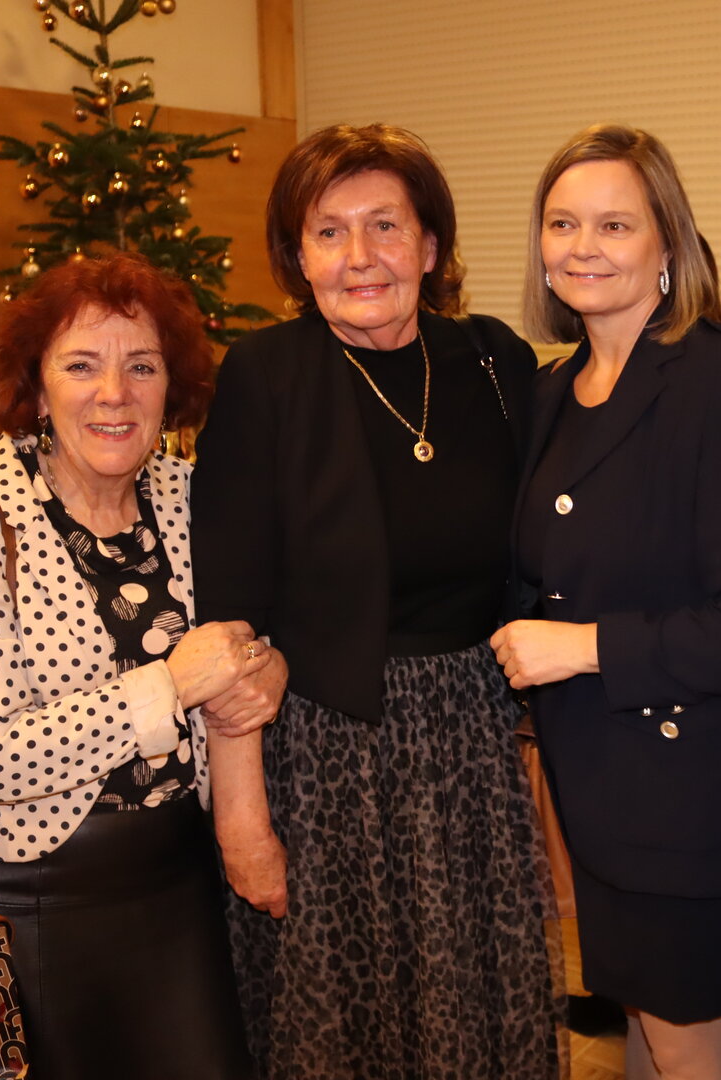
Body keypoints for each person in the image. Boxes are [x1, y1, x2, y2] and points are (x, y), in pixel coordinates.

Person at [190, 123, 559, 1080]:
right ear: (298, 257)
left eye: (385, 225)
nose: (360, 256)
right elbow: (229, 622)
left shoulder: (494, 362)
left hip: (473, 752)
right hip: (326, 762)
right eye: (329, 232)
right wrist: (242, 819)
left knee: (477, 1013)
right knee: (346, 1032)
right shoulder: (266, 376)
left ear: (429, 246)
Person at [0, 252, 284, 1078]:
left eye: (141, 366)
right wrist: (171, 685)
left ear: (170, 387)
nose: (114, 393)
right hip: (16, 900)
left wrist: (268, 662)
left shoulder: (193, 496)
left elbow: (250, 637)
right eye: (81, 365)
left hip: (174, 888)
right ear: (38, 389)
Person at [491, 124, 721, 1080]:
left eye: (614, 225)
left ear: (668, 244)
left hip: (692, 789)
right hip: (597, 782)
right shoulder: (553, 391)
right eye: (562, 224)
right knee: (646, 1023)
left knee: (686, 1040)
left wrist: (583, 646)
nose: (582, 247)